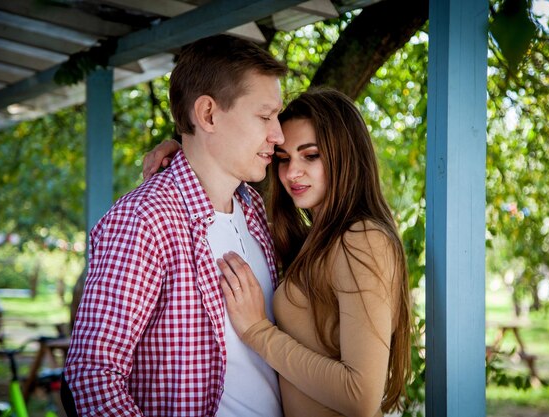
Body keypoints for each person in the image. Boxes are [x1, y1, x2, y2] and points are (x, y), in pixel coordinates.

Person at [145, 88, 412, 416]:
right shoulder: (315, 242)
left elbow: (360, 396)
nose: (291, 173)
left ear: (346, 155)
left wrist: (258, 332)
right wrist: (187, 152)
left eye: (310, 155)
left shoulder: (363, 240)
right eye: (283, 158)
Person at [63, 34, 288, 417]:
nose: (278, 134)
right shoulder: (143, 221)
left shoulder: (258, 212)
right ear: (208, 115)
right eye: (265, 116)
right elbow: (92, 375)